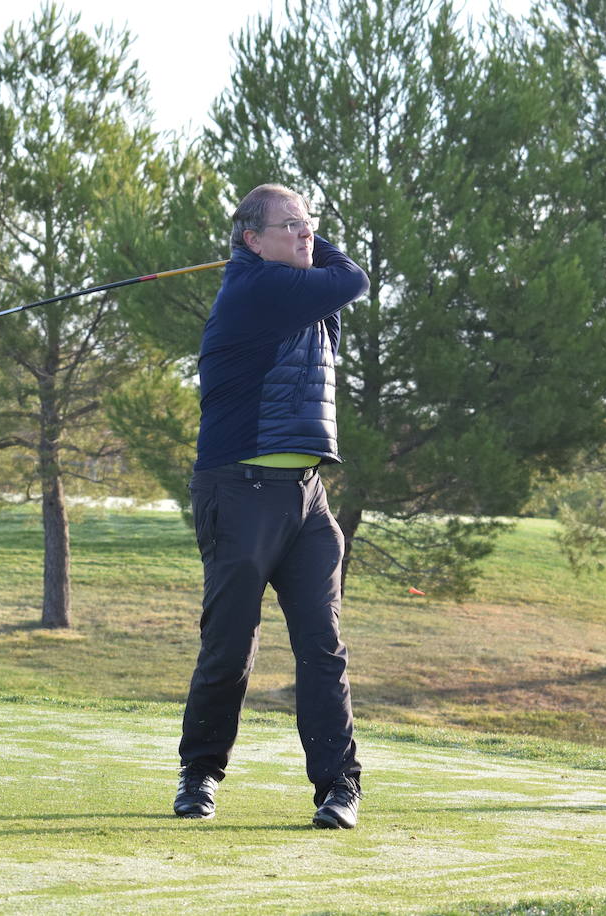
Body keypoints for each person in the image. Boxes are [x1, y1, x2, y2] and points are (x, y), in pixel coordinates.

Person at [174, 183, 370, 829]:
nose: (306, 235)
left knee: (323, 647)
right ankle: (200, 775)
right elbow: (353, 277)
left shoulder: (300, 290)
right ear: (252, 240)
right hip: (238, 491)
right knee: (230, 645)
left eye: (310, 224)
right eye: (288, 226)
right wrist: (267, 250)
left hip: (307, 498)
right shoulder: (255, 290)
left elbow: (335, 281)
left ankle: (339, 788)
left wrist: (299, 231)